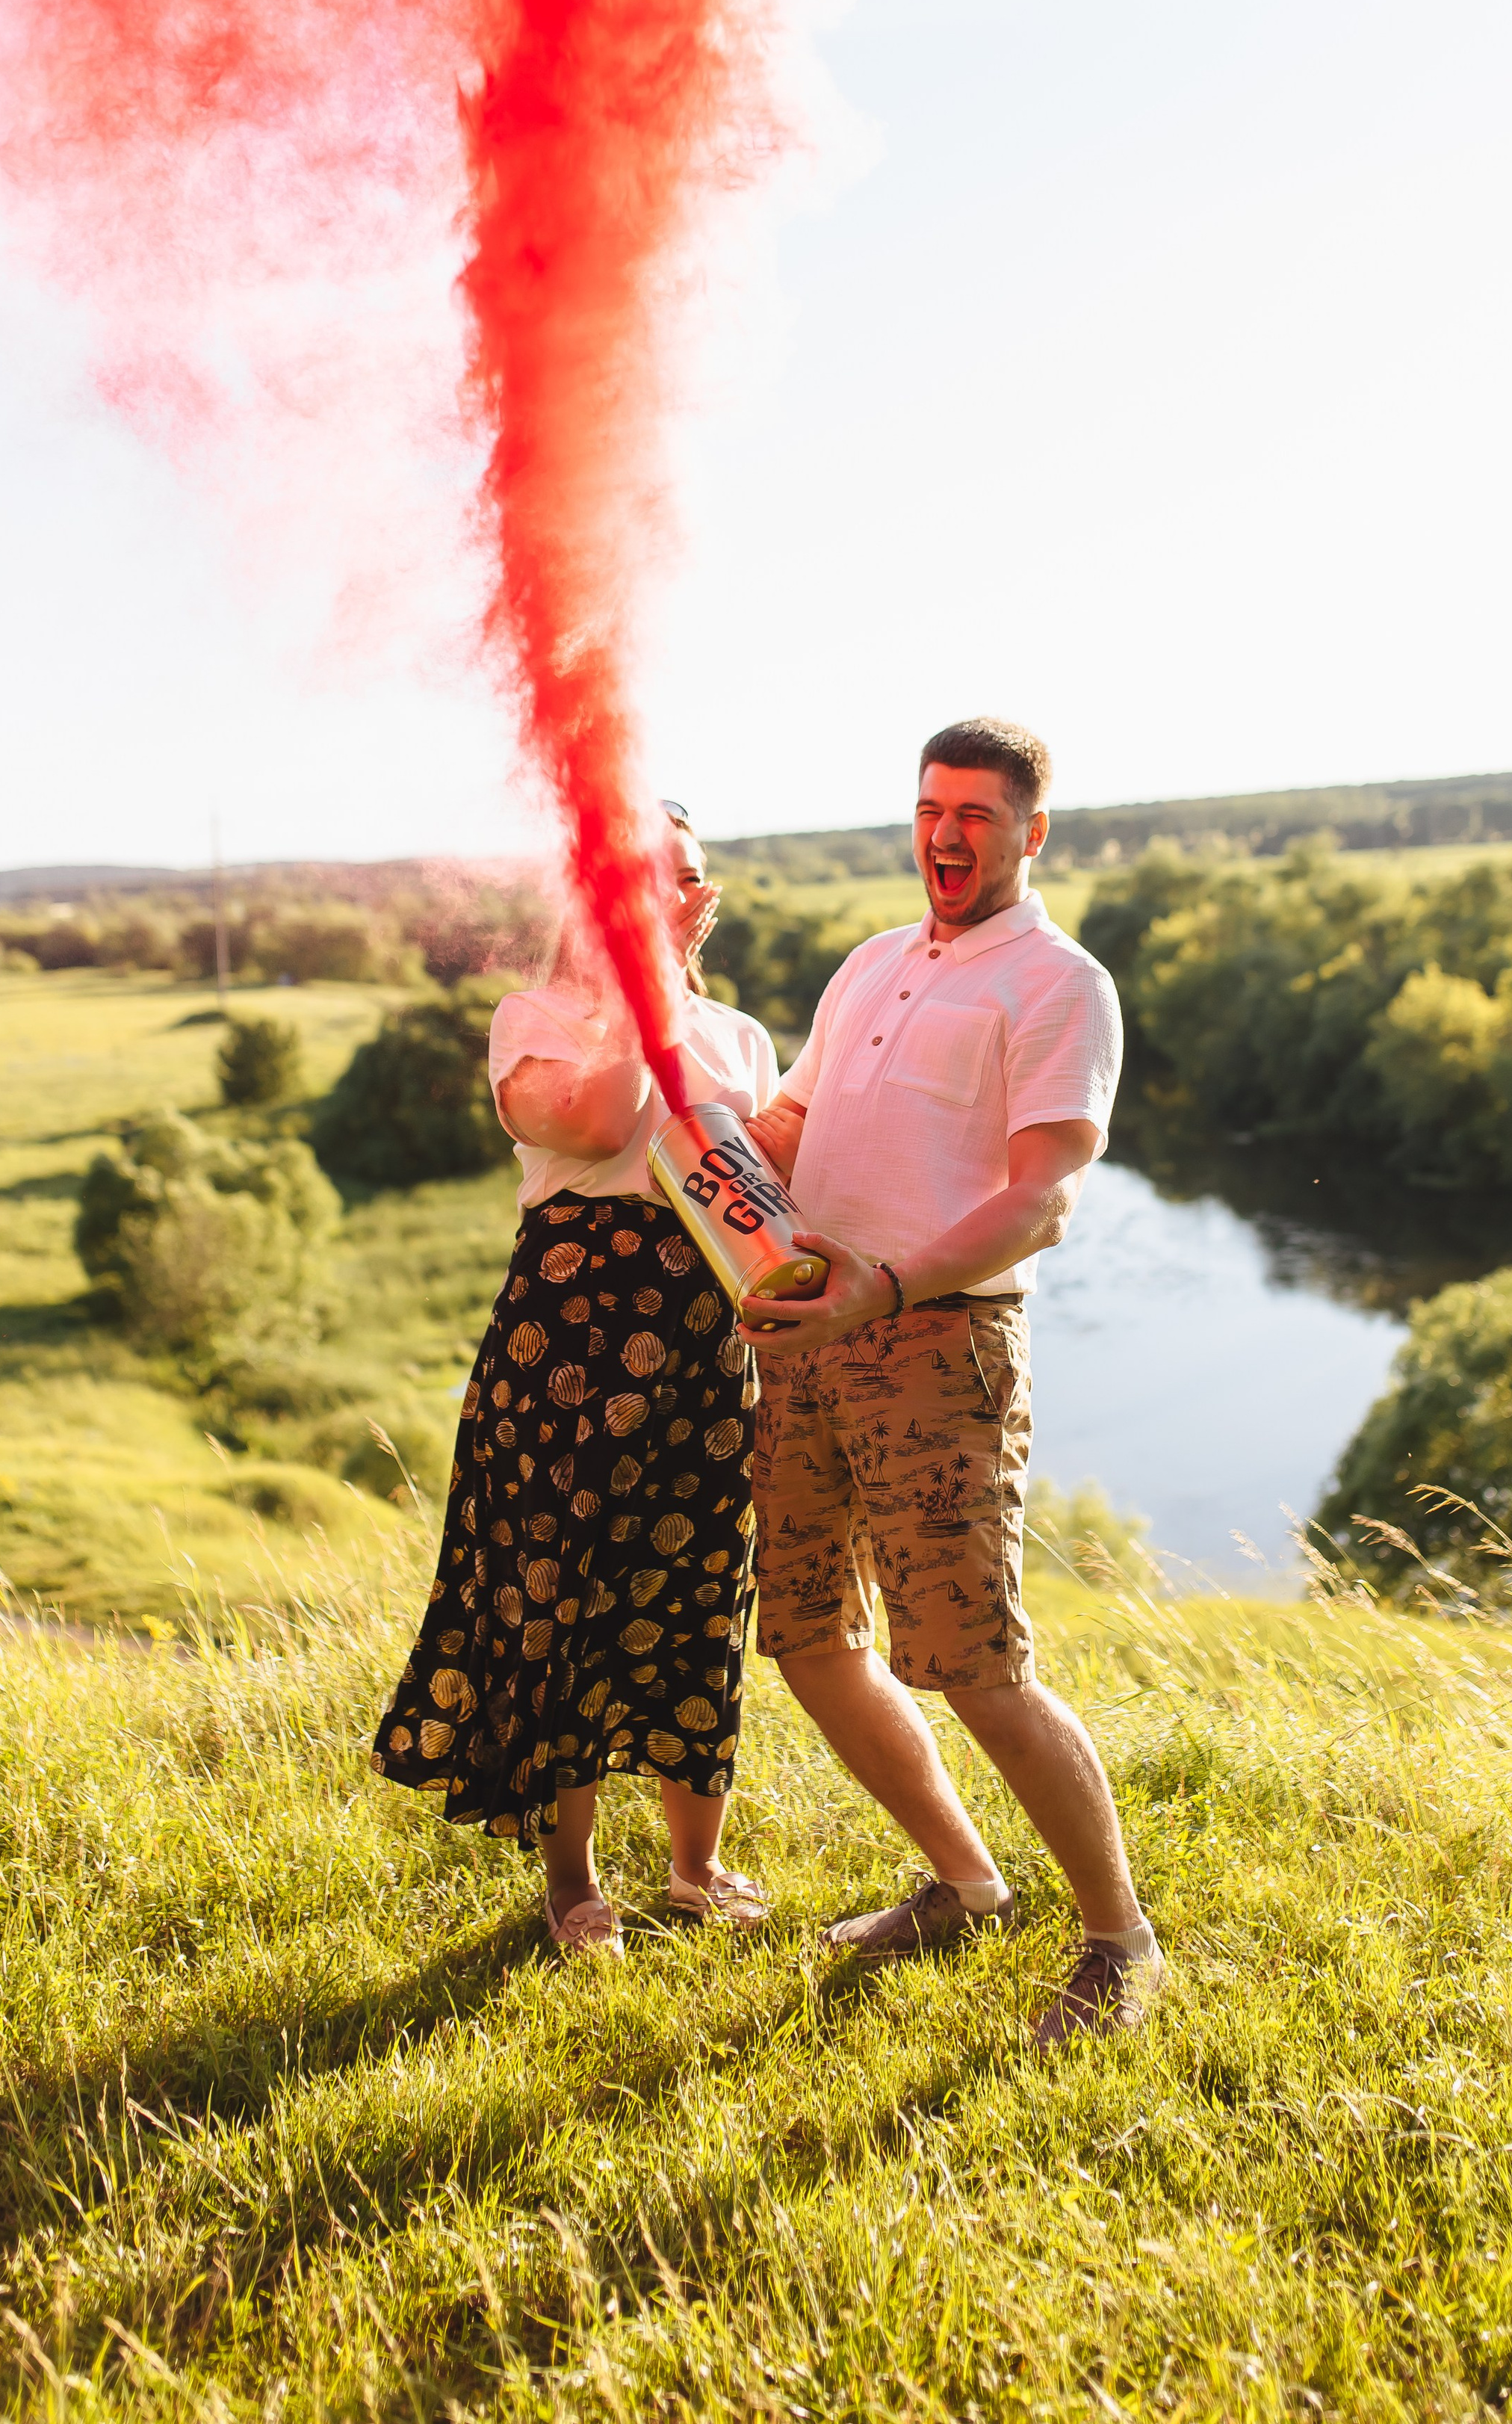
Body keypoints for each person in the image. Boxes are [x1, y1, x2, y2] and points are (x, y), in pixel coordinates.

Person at [743, 717, 1165, 2042]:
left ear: (1032, 833)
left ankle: (1121, 1941)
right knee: (805, 1633)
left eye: (977, 815)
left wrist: (884, 1286)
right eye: (931, 809)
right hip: (809, 1336)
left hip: (938, 1346)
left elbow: (1043, 1199)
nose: (946, 834)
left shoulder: (1060, 984)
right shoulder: (871, 963)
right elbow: (792, 1120)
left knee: (975, 1663)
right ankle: (967, 1885)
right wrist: (709, 1144)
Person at [371, 804, 778, 1955]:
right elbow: (600, 1125)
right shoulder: (538, 1020)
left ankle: (696, 1869)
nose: (674, 895)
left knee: (701, 1598)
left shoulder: (741, 1038)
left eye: (688, 877)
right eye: (643, 877)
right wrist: (638, 988)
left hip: (708, 1352)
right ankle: (572, 1882)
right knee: (564, 1606)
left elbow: (768, 1194)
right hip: (567, 1355)